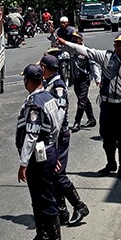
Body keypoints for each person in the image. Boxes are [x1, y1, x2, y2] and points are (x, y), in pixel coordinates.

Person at [57, 33, 121, 180]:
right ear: (114, 46)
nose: (120, 47)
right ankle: (111, 164)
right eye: (117, 44)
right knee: (107, 137)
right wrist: (65, 43)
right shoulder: (105, 57)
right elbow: (84, 50)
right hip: (107, 105)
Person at [15, 64, 66, 240]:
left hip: (39, 156)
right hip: (48, 151)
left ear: (28, 81)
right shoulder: (49, 98)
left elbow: (31, 134)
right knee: (38, 199)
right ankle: (42, 238)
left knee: (45, 198)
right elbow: (57, 125)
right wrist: (53, 151)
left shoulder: (35, 103)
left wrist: (23, 163)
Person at [40, 53, 90, 227]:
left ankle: (79, 206)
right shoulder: (49, 84)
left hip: (58, 136)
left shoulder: (58, 87)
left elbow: (59, 117)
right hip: (53, 137)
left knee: (58, 173)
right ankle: (62, 211)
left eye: (41, 67)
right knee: (52, 174)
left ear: (45, 68)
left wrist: (52, 142)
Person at [67, 31, 98, 132]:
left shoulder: (86, 50)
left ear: (81, 39)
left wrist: (97, 78)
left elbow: (93, 65)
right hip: (75, 79)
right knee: (83, 99)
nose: (74, 40)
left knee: (81, 101)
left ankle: (77, 123)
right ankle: (91, 119)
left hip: (84, 78)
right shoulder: (71, 50)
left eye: (76, 38)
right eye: (73, 38)